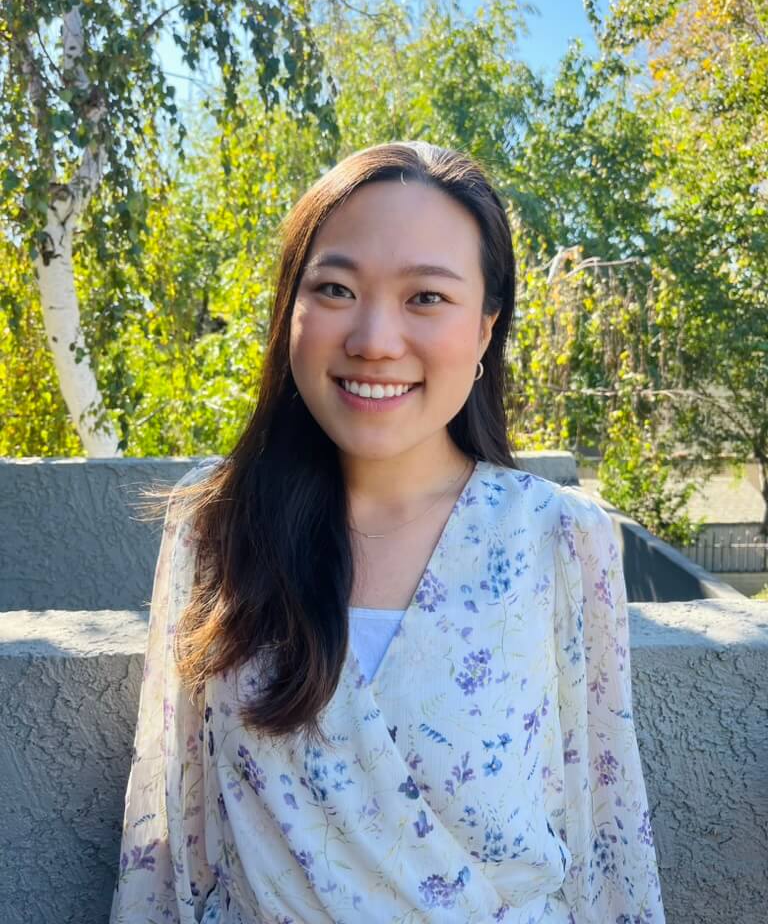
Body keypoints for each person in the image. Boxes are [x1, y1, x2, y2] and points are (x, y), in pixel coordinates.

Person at [109, 142, 666, 924]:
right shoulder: (217, 526)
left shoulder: (559, 539)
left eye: (426, 298)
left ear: (484, 330)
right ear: (289, 311)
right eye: (335, 288)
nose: (374, 338)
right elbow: (173, 826)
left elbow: (605, 825)